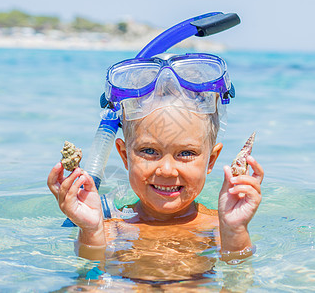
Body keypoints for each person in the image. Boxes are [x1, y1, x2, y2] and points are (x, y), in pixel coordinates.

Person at [47, 52, 263, 281]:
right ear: (124, 155)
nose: (167, 170)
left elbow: (237, 274)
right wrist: (89, 230)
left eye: (186, 153)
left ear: (211, 160)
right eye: (149, 151)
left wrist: (236, 230)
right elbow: (90, 271)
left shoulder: (216, 227)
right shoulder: (114, 228)